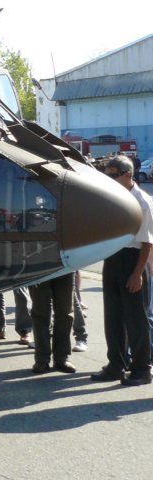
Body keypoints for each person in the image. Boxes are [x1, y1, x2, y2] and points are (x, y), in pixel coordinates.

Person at [91, 155, 153, 385]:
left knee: (136, 319)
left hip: (133, 259)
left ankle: (142, 369)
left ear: (128, 175)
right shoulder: (113, 197)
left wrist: (137, 274)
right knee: (113, 316)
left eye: (113, 176)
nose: (109, 180)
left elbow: (147, 243)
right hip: (113, 257)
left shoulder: (142, 202)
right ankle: (116, 365)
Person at [28, 273, 75, 374]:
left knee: (65, 312)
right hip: (38, 267)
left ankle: (62, 358)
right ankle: (41, 359)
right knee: (40, 312)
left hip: (66, 267)